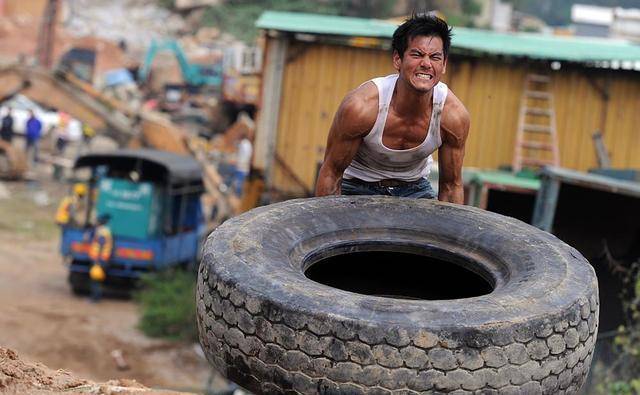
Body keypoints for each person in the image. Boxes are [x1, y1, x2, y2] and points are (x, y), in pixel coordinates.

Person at [315, 13, 470, 204]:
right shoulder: (362, 107)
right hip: (356, 185)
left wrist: (449, 233)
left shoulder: (452, 115)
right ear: (398, 59)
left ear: (444, 65)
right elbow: (331, 172)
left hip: (414, 188)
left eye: (435, 57)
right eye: (417, 54)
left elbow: (451, 186)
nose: (426, 64)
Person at [88, 213, 112, 302]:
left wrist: (97, 260)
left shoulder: (102, 232)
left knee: (95, 279)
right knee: (97, 279)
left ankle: (95, 298)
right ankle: (95, 297)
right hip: (102, 259)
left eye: (98, 221)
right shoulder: (105, 230)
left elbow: (101, 245)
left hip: (99, 259)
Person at [233, 129, 253, 196]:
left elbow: (246, 156)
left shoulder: (245, 144)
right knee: (239, 183)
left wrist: (240, 163)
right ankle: (238, 196)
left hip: (242, 168)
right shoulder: (246, 143)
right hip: (242, 167)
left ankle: (237, 197)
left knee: (239, 184)